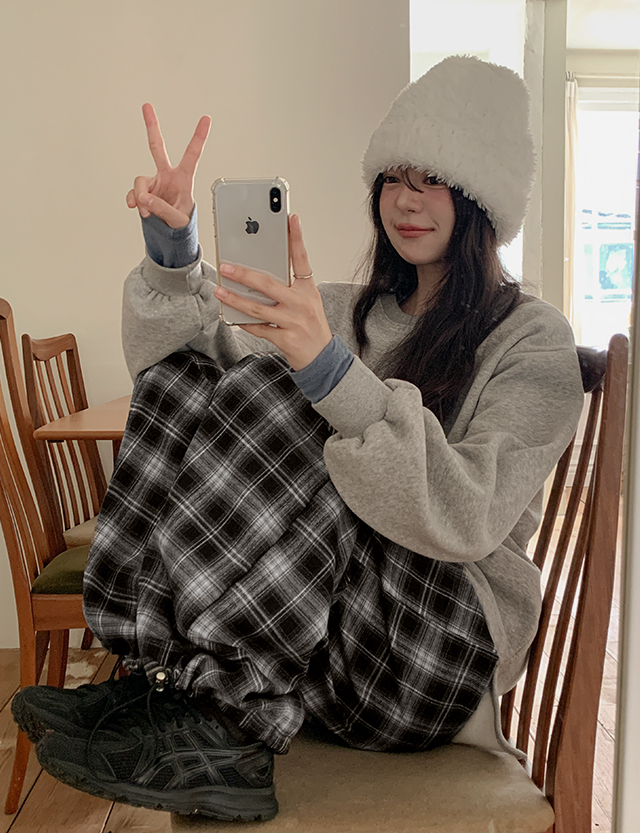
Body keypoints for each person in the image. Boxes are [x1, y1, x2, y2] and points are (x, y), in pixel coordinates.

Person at [12, 56, 584, 821]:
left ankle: (224, 723)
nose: (406, 199)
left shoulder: (532, 339)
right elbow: (185, 376)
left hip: (436, 658)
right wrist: (174, 254)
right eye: (393, 177)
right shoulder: (345, 308)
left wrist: (329, 371)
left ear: (482, 197)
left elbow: (470, 515)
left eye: (433, 179)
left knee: (304, 409)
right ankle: (163, 678)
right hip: (330, 650)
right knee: (193, 381)